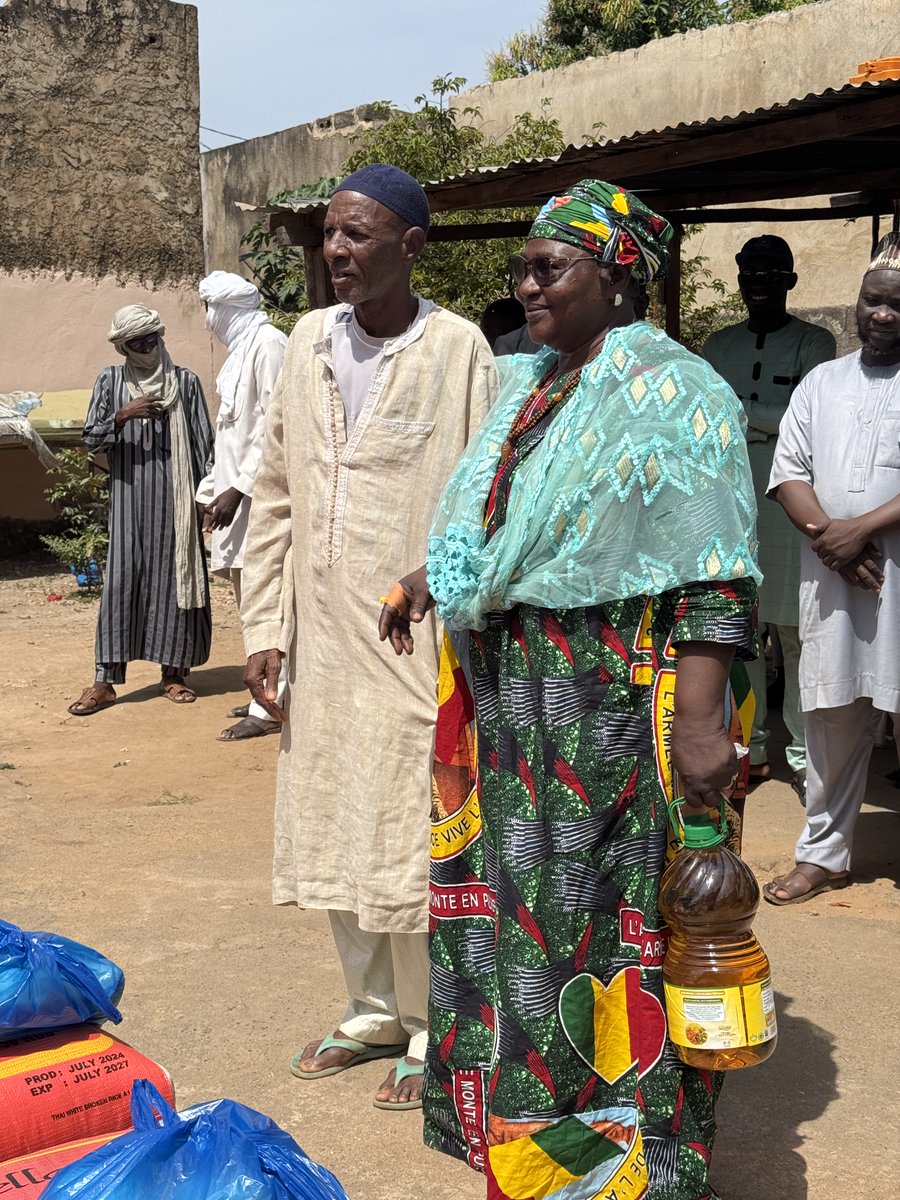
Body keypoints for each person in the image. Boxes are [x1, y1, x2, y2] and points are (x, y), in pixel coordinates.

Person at [379, 180, 760, 1199]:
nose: (527, 284)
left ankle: (630, 1171)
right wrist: (431, 580)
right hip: (512, 710)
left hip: (612, 715)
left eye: (549, 266)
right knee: (523, 935)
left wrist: (701, 719)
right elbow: (509, 529)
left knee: (610, 935)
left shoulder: (677, 394)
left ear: (618, 275)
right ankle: (539, 1160)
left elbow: (713, 569)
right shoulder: (532, 386)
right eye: (523, 269)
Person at [238, 164, 498, 1109]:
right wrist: (264, 625)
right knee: (336, 811)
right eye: (330, 238)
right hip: (317, 636)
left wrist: (445, 588)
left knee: (412, 818)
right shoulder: (308, 339)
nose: (337, 253)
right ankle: (370, 1009)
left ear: (411, 247)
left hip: (414, 640)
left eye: (356, 235)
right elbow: (272, 493)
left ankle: (435, 1026)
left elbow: (483, 497)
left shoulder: (460, 349)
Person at [763, 232, 900, 905]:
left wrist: (861, 532)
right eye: (872, 302)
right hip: (834, 582)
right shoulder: (823, 382)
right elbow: (788, 470)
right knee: (832, 717)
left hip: (892, 580)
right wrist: (831, 541)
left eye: (897, 306)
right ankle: (824, 855)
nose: (881, 315)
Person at [703, 235, 835, 803]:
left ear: (790, 280)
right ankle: (750, 751)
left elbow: (808, 420)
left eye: (770, 272)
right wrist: (765, 421)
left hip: (790, 505)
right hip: (729, 504)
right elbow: (704, 415)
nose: (757, 281)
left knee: (798, 632)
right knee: (742, 634)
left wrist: (743, 415)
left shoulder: (815, 342)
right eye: (748, 271)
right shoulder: (717, 345)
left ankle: (805, 757)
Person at [67, 305, 213, 715]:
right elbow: (92, 439)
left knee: (175, 582)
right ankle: (105, 681)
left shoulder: (183, 382)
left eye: (152, 339)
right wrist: (124, 415)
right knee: (121, 585)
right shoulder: (110, 381)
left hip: (176, 505)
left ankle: (174, 674)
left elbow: (203, 443)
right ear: (123, 346)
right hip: (129, 502)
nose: (147, 347)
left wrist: (207, 500)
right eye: (137, 342)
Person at [195, 270, 288, 742]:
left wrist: (241, 489)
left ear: (226, 308)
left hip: (261, 500)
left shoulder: (268, 343)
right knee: (247, 596)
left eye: (211, 308)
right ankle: (267, 690)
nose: (208, 319)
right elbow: (230, 434)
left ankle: (270, 705)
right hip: (235, 500)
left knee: (267, 599)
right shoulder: (239, 353)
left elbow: (277, 423)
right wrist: (211, 490)